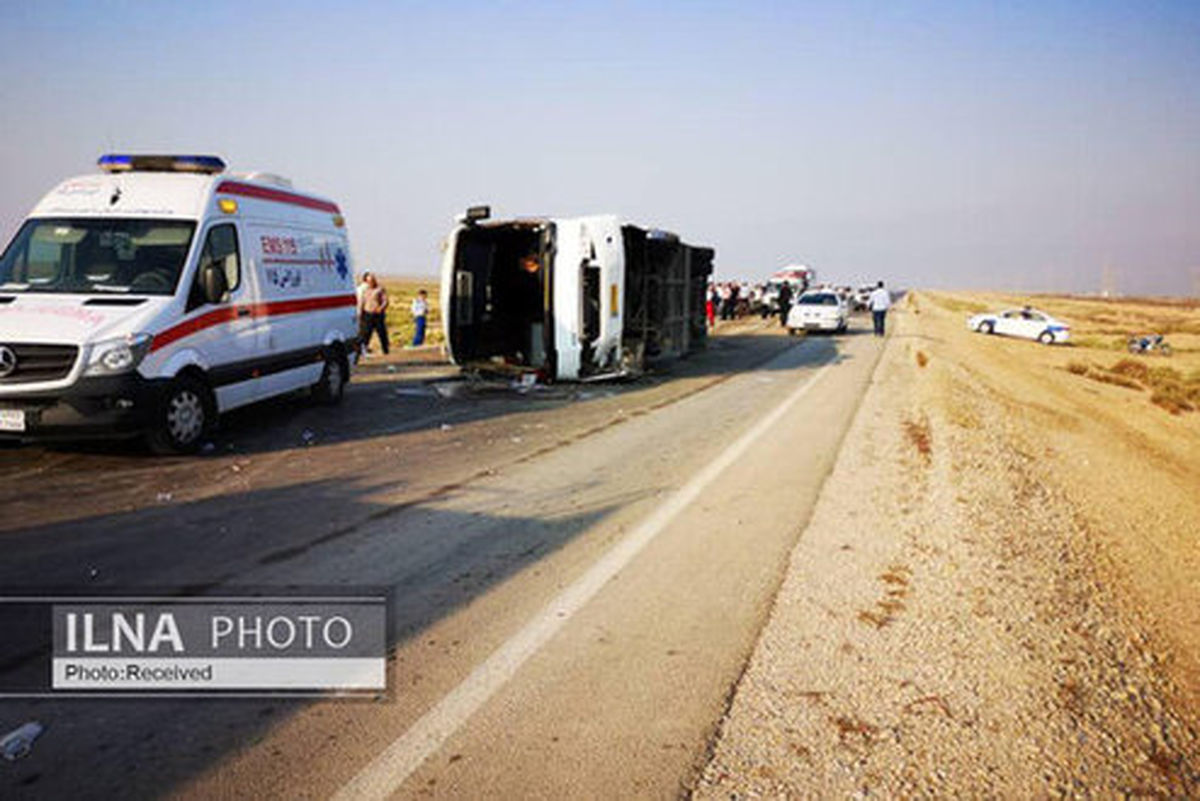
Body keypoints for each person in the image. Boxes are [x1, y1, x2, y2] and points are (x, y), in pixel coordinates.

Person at [359, 273, 390, 355]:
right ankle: (363, 350)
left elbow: (385, 301)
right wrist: (360, 313)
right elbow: (362, 302)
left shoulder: (380, 289)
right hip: (367, 314)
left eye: (372, 280)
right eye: (369, 281)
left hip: (378, 314)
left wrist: (381, 308)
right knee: (365, 333)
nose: (371, 282)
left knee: (381, 332)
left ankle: (385, 349)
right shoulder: (365, 290)